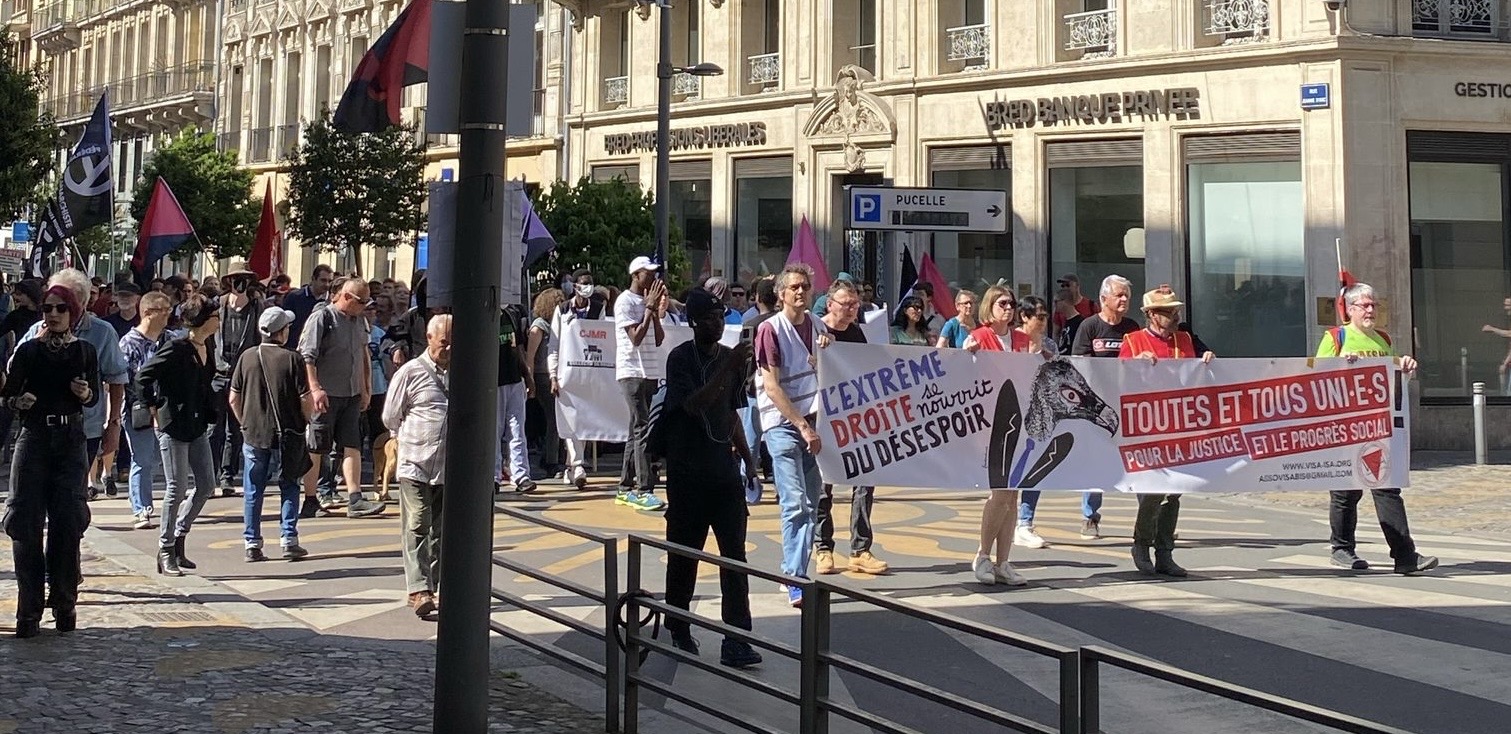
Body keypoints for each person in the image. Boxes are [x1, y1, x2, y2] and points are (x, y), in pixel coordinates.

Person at [658, 288, 763, 668]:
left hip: (722, 471)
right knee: (685, 554)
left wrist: (748, 459)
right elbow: (694, 404)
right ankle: (679, 626)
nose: (717, 324)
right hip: (688, 472)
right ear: (694, 323)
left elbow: (731, 413)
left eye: (720, 318)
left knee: (734, 556)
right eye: (709, 319)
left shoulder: (728, 360)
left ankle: (736, 637)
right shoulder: (680, 358)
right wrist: (728, 367)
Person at [1319, 283, 1438, 575]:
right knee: (1346, 491)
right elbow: (1317, 373)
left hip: (1378, 427)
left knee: (1387, 488)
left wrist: (1405, 363)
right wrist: (1339, 364)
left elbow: (1394, 370)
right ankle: (1342, 548)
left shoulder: (1383, 338)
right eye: (1364, 305)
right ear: (1349, 309)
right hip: (1344, 427)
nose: (1371, 310)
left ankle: (1405, 556)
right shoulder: (1336, 337)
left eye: (1374, 305)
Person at [3, 284, 100, 637]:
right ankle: (28, 612)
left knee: (68, 523)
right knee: (23, 522)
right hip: (34, 439)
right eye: (48, 308)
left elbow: (94, 397)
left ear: (72, 312)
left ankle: (64, 603)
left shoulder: (85, 351)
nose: (53, 314)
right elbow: (8, 394)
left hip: (71, 440)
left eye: (60, 308)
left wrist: (85, 392)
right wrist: (19, 402)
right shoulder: (29, 351)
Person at [1119, 285, 1214, 577]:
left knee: (1174, 494)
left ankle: (1165, 552)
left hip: (1179, 428)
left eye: (1174, 310)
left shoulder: (1185, 339)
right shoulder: (1132, 342)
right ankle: (1141, 544)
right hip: (1146, 430)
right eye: (1165, 311)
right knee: (1152, 491)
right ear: (1150, 315)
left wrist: (1208, 358)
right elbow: (1116, 379)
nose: (1173, 315)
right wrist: (1134, 366)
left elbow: (1204, 367)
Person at [754, 264, 829, 607]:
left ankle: (790, 567)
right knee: (795, 500)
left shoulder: (818, 326)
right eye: (794, 287)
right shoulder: (770, 330)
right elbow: (771, 386)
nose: (801, 292)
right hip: (783, 424)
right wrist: (801, 424)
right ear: (781, 294)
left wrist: (828, 353)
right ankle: (796, 577)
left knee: (812, 501)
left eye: (805, 287)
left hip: (813, 422)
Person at [21, 270, 127, 503]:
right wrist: (36, 343)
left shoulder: (101, 332)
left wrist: (114, 425)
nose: (54, 311)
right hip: (38, 427)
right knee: (31, 499)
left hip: (82, 430)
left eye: (63, 304)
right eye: (49, 304)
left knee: (69, 501)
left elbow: (117, 379)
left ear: (80, 303)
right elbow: (13, 371)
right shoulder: (37, 330)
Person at [135, 294, 222, 577]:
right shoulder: (176, 348)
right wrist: (152, 407)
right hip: (173, 425)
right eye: (214, 316)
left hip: (197, 425)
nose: (218, 320)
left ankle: (180, 535)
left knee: (207, 483)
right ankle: (165, 547)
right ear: (201, 321)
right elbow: (142, 377)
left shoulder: (206, 345)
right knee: (176, 487)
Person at [813, 280, 889, 575]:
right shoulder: (815, 331)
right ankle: (823, 548)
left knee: (865, 480)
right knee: (823, 486)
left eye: (856, 305)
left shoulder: (857, 333)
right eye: (846, 304)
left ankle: (860, 548)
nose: (852, 310)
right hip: (822, 418)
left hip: (856, 419)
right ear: (830, 303)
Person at [229, 307, 312, 562]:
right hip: (288, 432)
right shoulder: (292, 358)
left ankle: (252, 543)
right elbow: (305, 399)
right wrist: (304, 422)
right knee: (289, 484)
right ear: (282, 332)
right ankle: (289, 539)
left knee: (253, 489)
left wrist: (245, 423)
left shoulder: (247, 357)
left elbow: (234, 398)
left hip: (254, 433)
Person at [384, 315, 454, 618]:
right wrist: (404, 439)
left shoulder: (462, 371)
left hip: (447, 465)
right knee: (418, 521)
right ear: (428, 338)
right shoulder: (410, 372)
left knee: (440, 529)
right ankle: (419, 588)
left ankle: (434, 587)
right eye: (444, 343)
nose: (449, 348)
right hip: (415, 461)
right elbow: (390, 416)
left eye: (453, 342)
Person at [299, 279, 385, 518]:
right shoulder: (322, 319)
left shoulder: (360, 322)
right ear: (346, 297)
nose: (365, 307)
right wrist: (315, 388)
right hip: (325, 394)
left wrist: (366, 388)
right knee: (316, 447)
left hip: (351, 393)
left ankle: (355, 498)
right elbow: (307, 357)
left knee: (352, 445)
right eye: (361, 302)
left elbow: (364, 355)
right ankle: (310, 498)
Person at [961, 285, 1030, 586]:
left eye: (1012, 303)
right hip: (990, 422)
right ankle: (982, 555)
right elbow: (962, 369)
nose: (1009, 308)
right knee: (1000, 492)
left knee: (1012, 495)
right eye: (1002, 303)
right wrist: (968, 354)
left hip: (1019, 420)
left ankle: (1004, 561)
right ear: (989, 307)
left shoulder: (1023, 339)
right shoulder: (979, 337)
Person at [1068, 274, 1140, 539]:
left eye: (1127, 296)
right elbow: (1080, 364)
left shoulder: (1132, 327)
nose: (1124, 300)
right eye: (1119, 295)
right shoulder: (1089, 327)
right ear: (1103, 299)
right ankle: (1090, 517)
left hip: (1126, 405)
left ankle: (1149, 519)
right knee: (1096, 461)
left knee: (1139, 460)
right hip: (1097, 408)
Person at [612, 256, 668, 511]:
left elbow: (657, 338)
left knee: (635, 429)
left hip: (649, 371)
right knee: (643, 429)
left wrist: (655, 312)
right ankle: (644, 489)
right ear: (636, 275)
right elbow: (635, 338)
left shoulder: (649, 302)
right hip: (632, 371)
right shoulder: (624, 301)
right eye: (649, 274)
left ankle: (624, 487)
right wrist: (647, 309)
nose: (654, 278)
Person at [118, 291, 176, 531]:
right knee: (142, 459)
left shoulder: (170, 339)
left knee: (164, 461)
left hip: (166, 409)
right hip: (138, 411)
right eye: (164, 310)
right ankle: (142, 508)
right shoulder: (128, 343)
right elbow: (125, 381)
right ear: (148, 313)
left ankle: (171, 506)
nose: (169, 315)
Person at [548, 269, 605, 489]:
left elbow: (600, 338)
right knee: (568, 419)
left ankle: (571, 466)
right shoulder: (562, 310)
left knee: (583, 420)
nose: (587, 287)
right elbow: (553, 345)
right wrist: (553, 375)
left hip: (588, 371)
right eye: (583, 283)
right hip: (566, 371)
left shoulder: (598, 309)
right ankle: (578, 464)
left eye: (590, 283)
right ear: (575, 286)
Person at [212, 270, 264, 497]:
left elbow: (262, 338)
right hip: (218, 374)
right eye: (235, 279)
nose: (239, 284)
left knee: (235, 429)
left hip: (243, 375)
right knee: (213, 429)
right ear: (228, 281)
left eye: (243, 279)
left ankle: (227, 476)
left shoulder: (256, 308)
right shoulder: (218, 306)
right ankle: (209, 474)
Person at [526, 289, 565, 482]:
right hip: (543, 376)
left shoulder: (555, 325)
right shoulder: (539, 326)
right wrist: (530, 379)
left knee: (555, 418)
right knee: (553, 418)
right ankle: (551, 460)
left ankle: (550, 456)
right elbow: (530, 356)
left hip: (553, 374)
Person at [496, 302, 535, 493]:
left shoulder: (511, 315)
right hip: (494, 382)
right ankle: (493, 476)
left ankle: (521, 475)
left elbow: (518, 347)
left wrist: (527, 376)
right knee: (494, 432)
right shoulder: (484, 316)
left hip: (514, 380)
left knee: (517, 429)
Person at [282, 264, 335, 348]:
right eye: (323, 280)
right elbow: (284, 323)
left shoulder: (332, 301)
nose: (327, 285)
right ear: (313, 279)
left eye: (330, 281)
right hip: (294, 348)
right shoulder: (295, 297)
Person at [1053, 288, 1086, 356]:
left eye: (1056, 301)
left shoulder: (1080, 323)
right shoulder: (1067, 321)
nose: (1054, 305)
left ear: (1064, 301)